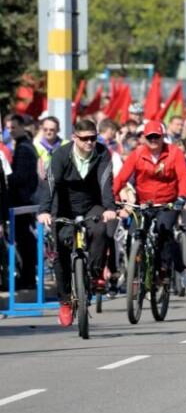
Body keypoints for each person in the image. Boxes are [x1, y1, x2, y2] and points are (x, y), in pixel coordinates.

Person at [36, 119, 118, 327]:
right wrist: (44, 211)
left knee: (101, 229)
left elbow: (105, 182)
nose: (89, 142)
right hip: (64, 207)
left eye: (93, 138)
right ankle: (65, 301)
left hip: (92, 204)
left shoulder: (102, 153)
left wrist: (109, 207)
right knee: (61, 253)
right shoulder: (61, 155)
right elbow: (50, 183)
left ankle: (95, 273)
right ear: (74, 138)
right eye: (84, 139)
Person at [113, 120, 186, 289]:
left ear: (162, 137)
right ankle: (136, 271)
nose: (154, 140)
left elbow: (184, 177)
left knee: (164, 231)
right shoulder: (137, 154)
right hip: (144, 202)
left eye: (157, 137)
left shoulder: (174, 153)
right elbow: (121, 177)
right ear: (144, 138)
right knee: (133, 234)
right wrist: (112, 198)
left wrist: (181, 197)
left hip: (168, 202)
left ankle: (164, 269)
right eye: (150, 137)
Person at [6, 114, 42, 291]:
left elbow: (21, 176)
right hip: (24, 200)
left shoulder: (23, 148)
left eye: (13, 127)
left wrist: (6, 180)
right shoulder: (25, 145)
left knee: (24, 240)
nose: (10, 131)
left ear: (21, 127)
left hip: (22, 201)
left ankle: (28, 277)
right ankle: (27, 276)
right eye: (8, 128)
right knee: (24, 239)